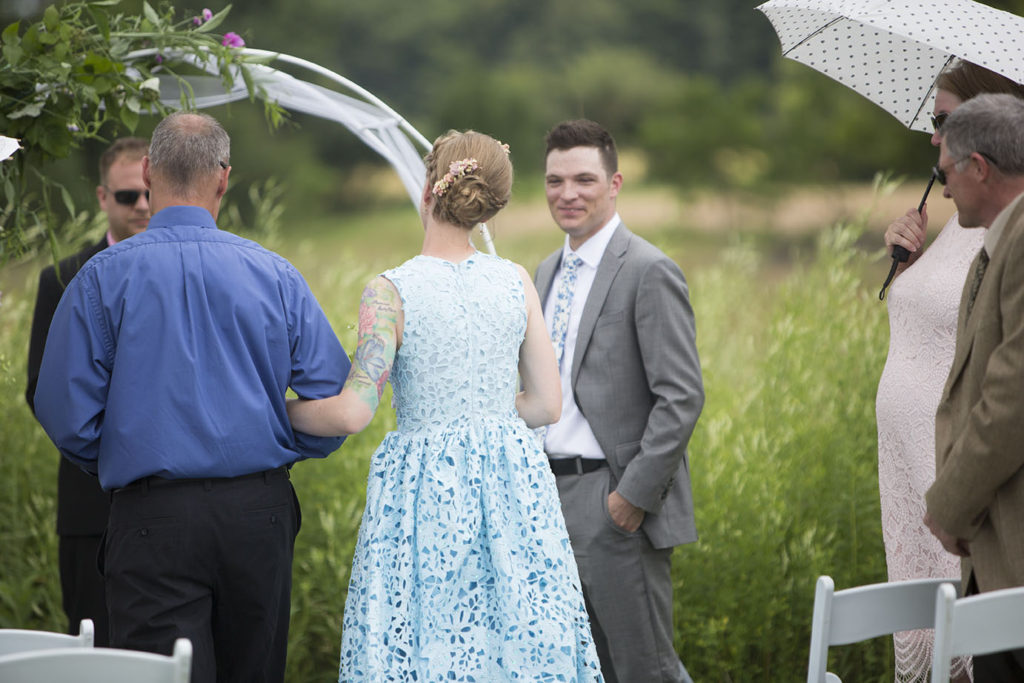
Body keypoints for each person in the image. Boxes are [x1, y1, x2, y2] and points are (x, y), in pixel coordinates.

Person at [33, 111, 349, 683]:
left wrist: (129, 449)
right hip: (258, 513)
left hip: (152, 515)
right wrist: (268, 433)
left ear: (149, 172)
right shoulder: (275, 275)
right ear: (225, 178)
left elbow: (63, 412)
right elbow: (334, 400)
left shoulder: (100, 278)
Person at [286, 130, 604, 681]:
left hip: (426, 491)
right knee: (518, 642)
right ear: (490, 204)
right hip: (515, 485)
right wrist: (487, 413)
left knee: (428, 641)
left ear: (428, 189)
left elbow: (353, 411)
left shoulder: (389, 291)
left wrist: (275, 411)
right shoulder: (516, 280)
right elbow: (549, 405)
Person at [534, 119, 704, 683]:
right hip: (545, 500)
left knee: (645, 669)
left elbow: (681, 397)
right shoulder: (545, 272)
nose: (568, 194)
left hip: (613, 500)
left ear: (615, 183)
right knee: (583, 670)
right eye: (556, 181)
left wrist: (629, 498)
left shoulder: (649, 270)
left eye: (584, 179)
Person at [877, 61, 1024, 683]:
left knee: (979, 640)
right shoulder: (966, 219)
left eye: (944, 123)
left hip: (961, 474)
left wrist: (953, 500)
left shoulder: (1006, 234)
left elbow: (1007, 385)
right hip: (912, 461)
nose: (934, 142)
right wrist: (904, 266)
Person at [25, 136, 150, 646]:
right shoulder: (62, 276)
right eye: (127, 197)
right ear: (102, 197)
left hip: (172, 507)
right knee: (91, 646)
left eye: (148, 193)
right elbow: (40, 390)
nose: (141, 205)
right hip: (89, 500)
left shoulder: (188, 266)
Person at [922, 93, 1024, 682]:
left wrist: (950, 505)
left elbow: (1012, 400)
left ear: (979, 168)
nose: (944, 189)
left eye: (948, 174)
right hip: (998, 551)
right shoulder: (1000, 241)